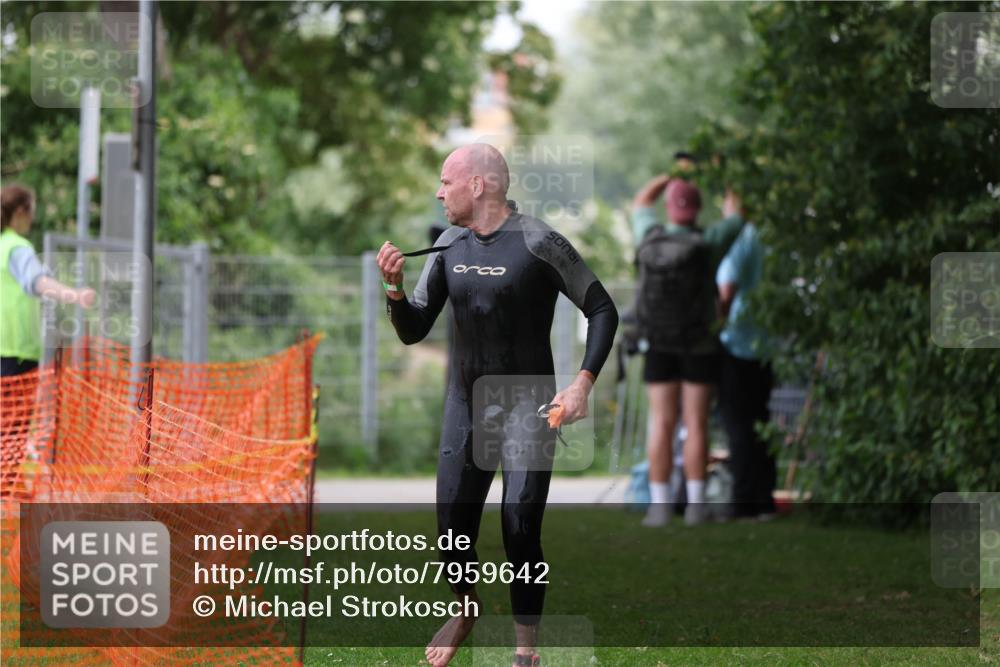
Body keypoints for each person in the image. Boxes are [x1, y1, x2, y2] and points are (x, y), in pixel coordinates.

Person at [376, 143, 618, 667]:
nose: (439, 192)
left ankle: (524, 653)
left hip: (528, 406)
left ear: (478, 184)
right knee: (451, 527)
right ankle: (466, 608)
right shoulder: (447, 245)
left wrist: (581, 385)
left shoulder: (539, 242)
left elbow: (601, 308)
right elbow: (415, 328)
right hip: (467, 405)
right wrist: (394, 292)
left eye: (446, 181)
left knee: (519, 523)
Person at [630, 175, 743, 527]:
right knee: (696, 424)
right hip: (700, 343)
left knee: (661, 423)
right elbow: (737, 212)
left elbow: (641, 201)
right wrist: (718, 172)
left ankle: (659, 507)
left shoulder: (649, 235)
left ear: (669, 207)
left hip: (658, 342)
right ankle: (696, 507)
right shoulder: (709, 241)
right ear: (697, 209)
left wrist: (668, 176)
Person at [716, 195, 775, 520]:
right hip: (766, 344)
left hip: (736, 343)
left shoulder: (740, 238)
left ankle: (742, 501)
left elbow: (728, 287)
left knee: (737, 425)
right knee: (762, 423)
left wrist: (715, 325)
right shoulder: (769, 239)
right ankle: (763, 499)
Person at [1, 184, 96, 377]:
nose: (32, 219)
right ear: (20, 212)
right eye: (32, 212)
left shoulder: (3, 245)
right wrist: (75, 295)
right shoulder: (18, 248)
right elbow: (38, 282)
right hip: (16, 354)